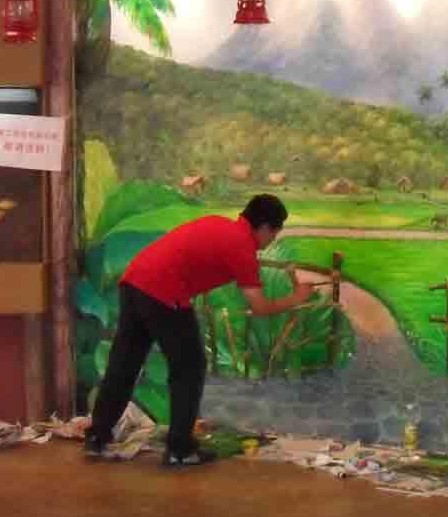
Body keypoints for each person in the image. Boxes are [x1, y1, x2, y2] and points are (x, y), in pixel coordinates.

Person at [84, 194, 314, 467]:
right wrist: (297, 298)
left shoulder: (220, 225)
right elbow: (260, 306)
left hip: (135, 281)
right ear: (264, 227)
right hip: (163, 291)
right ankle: (180, 449)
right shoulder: (242, 248)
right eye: (275, 232)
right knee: (189, 367)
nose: (273, 239)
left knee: (125, 363)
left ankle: (97, 436)